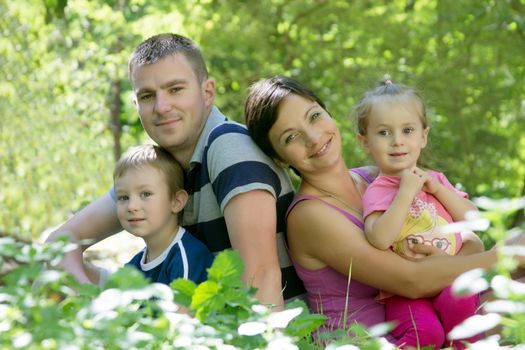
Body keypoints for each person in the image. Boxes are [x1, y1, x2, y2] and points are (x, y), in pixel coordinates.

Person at [244, 75, 521, 346]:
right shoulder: (310, 216)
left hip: (433, 317)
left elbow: (468, 237)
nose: (314, 137)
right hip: (377, 340)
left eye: (314, 116)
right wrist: (504, 256)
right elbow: (412, 281)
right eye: (291, 137)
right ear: (280, 158)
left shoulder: (376, 178)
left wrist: (447, 258)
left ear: (329, 114)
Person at [46, 33, 304, 309]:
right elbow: (61, 242)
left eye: (175, 89)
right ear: (136, 105)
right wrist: (99, 310)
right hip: (198, 323)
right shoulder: (157, 167)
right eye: (147, 96)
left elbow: (261, 277)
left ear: (207, 92)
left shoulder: (230, 151)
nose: (162, 107)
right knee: (51, 276)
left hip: (268, 328)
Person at [355, 79, 484, 349]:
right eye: (384, 133)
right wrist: (405, 192)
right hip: (405, 293)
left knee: (463, 317)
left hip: (447, 277)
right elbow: (379, 238)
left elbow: (475, 221)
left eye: (407, 130)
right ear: (365, 142)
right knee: (426, 335)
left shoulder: (435, 180)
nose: (397, 141)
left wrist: (438, 189)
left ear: (423, 136)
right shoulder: (377, 190)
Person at [85, 144, 214, 286]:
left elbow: (182, 308)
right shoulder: (135, 265)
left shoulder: (188, 257)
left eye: (146, 194)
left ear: (176, 201)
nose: (132, 206)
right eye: (123, 197)